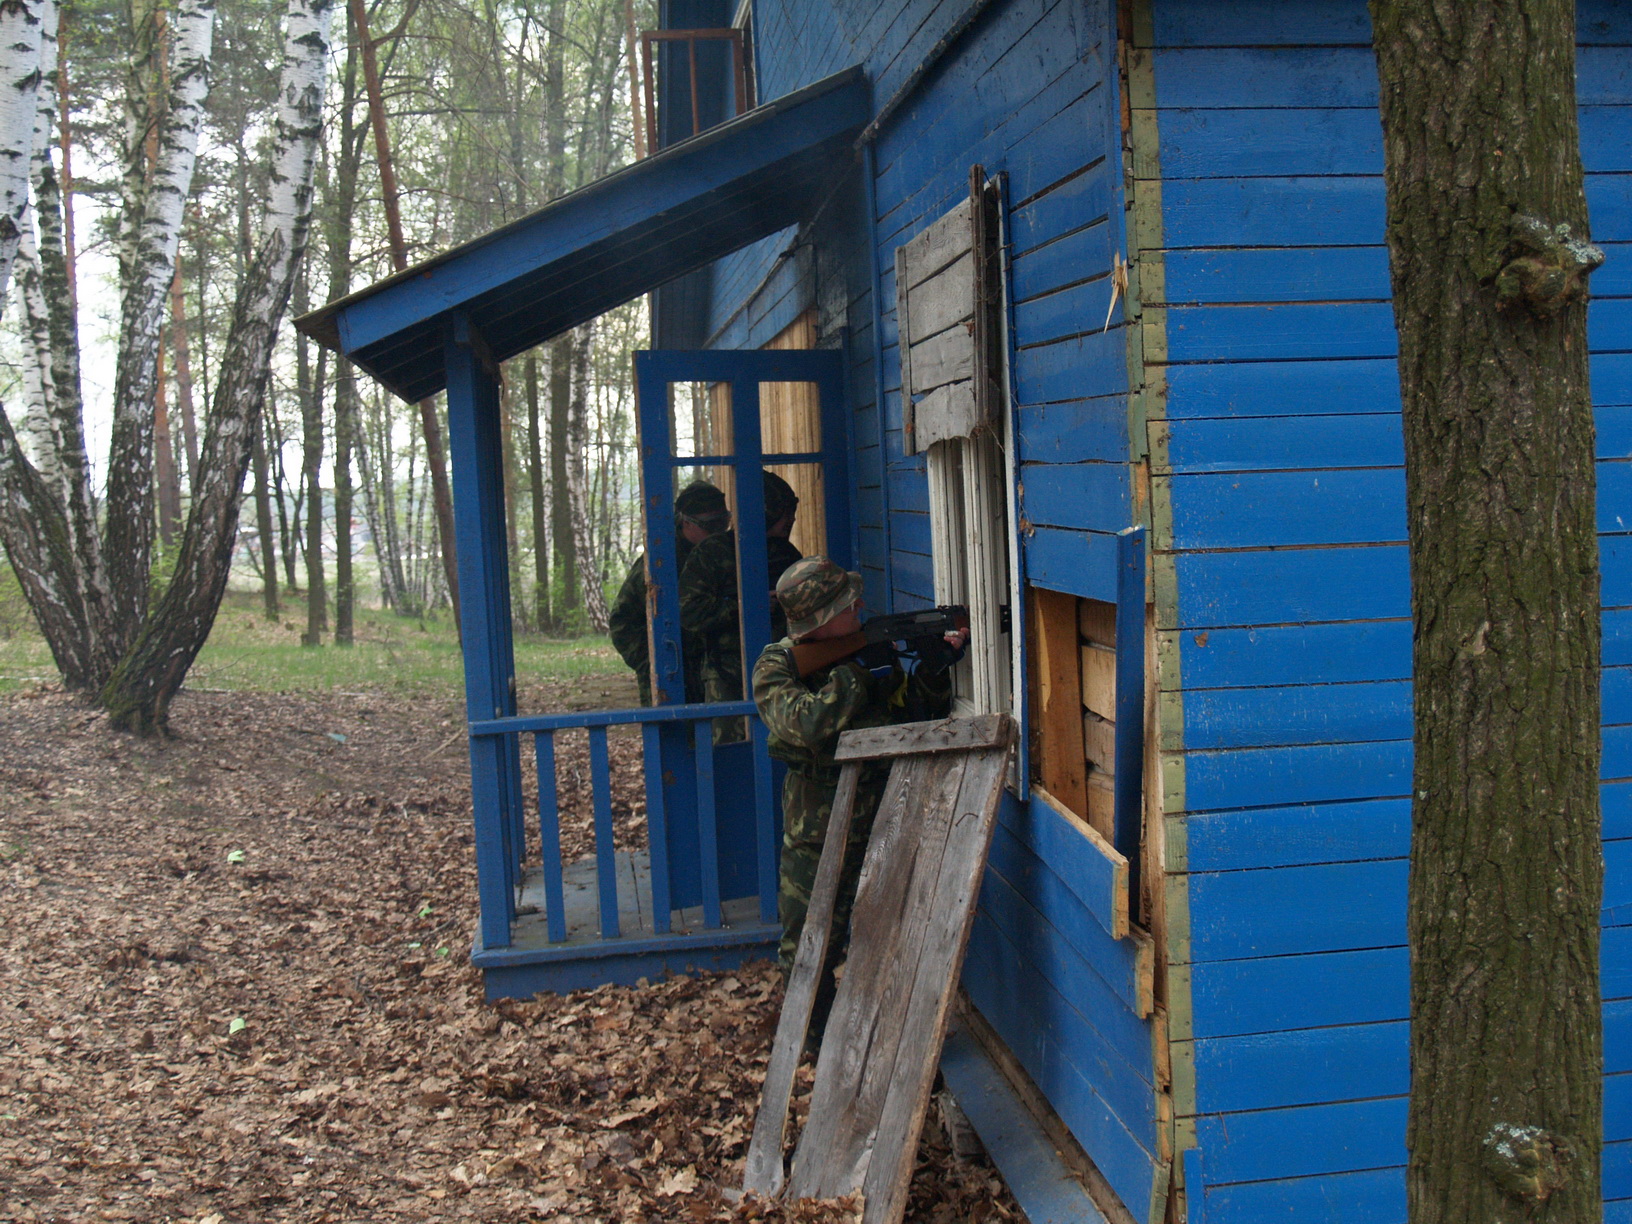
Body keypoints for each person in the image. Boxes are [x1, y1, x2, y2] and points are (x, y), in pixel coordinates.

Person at [751, 556, 968, 1026]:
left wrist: (932, 670)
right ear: (823, 620)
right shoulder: (775, 667)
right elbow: (806, 724)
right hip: (817, 828)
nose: (860, 608)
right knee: (809, 943)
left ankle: (878, 1032)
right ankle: (811, 1038)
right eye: (849, 605)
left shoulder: (872, 648)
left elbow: (913, 722)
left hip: (887, 817)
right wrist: (855, 674)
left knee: (891, 932)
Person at [678, 471, 803, 734]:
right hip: (726, 677)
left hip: (782, 671)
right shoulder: (712, 553)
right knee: (729, 749)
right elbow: (689, 612)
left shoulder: (786, 554)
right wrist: (745, 606)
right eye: (785, 512)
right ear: (767, 512)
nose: (790, 520)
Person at [608, 480, 729, 705]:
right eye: (710, 525)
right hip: (673, 678)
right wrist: (654, 662)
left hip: (717, 675)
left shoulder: (724, 553)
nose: (718, 531)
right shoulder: (661, 561)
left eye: (723, 522)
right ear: (686, 522)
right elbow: (621, 622)